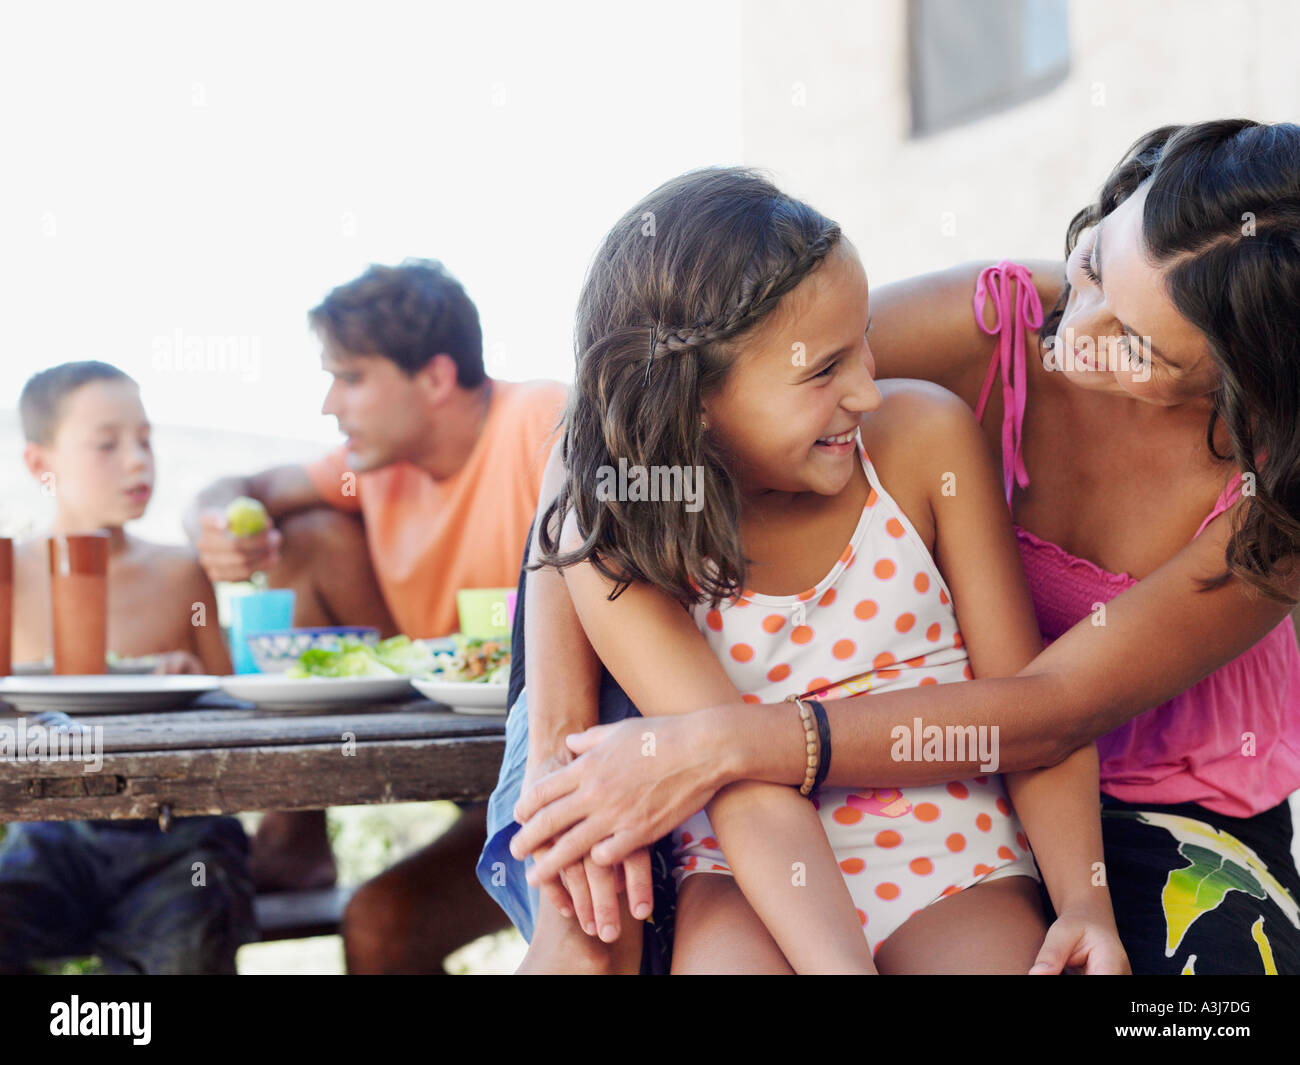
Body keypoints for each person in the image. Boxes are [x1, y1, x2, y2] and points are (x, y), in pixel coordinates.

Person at [506, 118, 1300, 975]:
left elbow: (1050, 711)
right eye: (1096, 265)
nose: (1078, 331)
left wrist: (1082, 899)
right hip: (790, 809)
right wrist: (555, 744)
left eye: (1136, 344)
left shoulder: (1278, 494)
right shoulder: (977, 327)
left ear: (1248, 380)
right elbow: (600, 439)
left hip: (1101, 782)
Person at [186, 259, 567, 973]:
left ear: (435, 377)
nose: (331, 403)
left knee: (380, 924)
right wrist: (212, 518)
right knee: (304, 536)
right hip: (449, 730)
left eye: (352, 377)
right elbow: (245, 488)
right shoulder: (375, 462)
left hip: (557, 764)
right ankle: (296, 830)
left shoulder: (543, 421)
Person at [0, 361, 256, 975]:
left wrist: (192, 673)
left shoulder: (180, 574)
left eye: (145, 439)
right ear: (41, 466)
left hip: (179, 834)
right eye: (107, 444)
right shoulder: (14, 575)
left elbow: (237, 720)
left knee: (188, 946)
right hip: (54, 829)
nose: (138, 461)